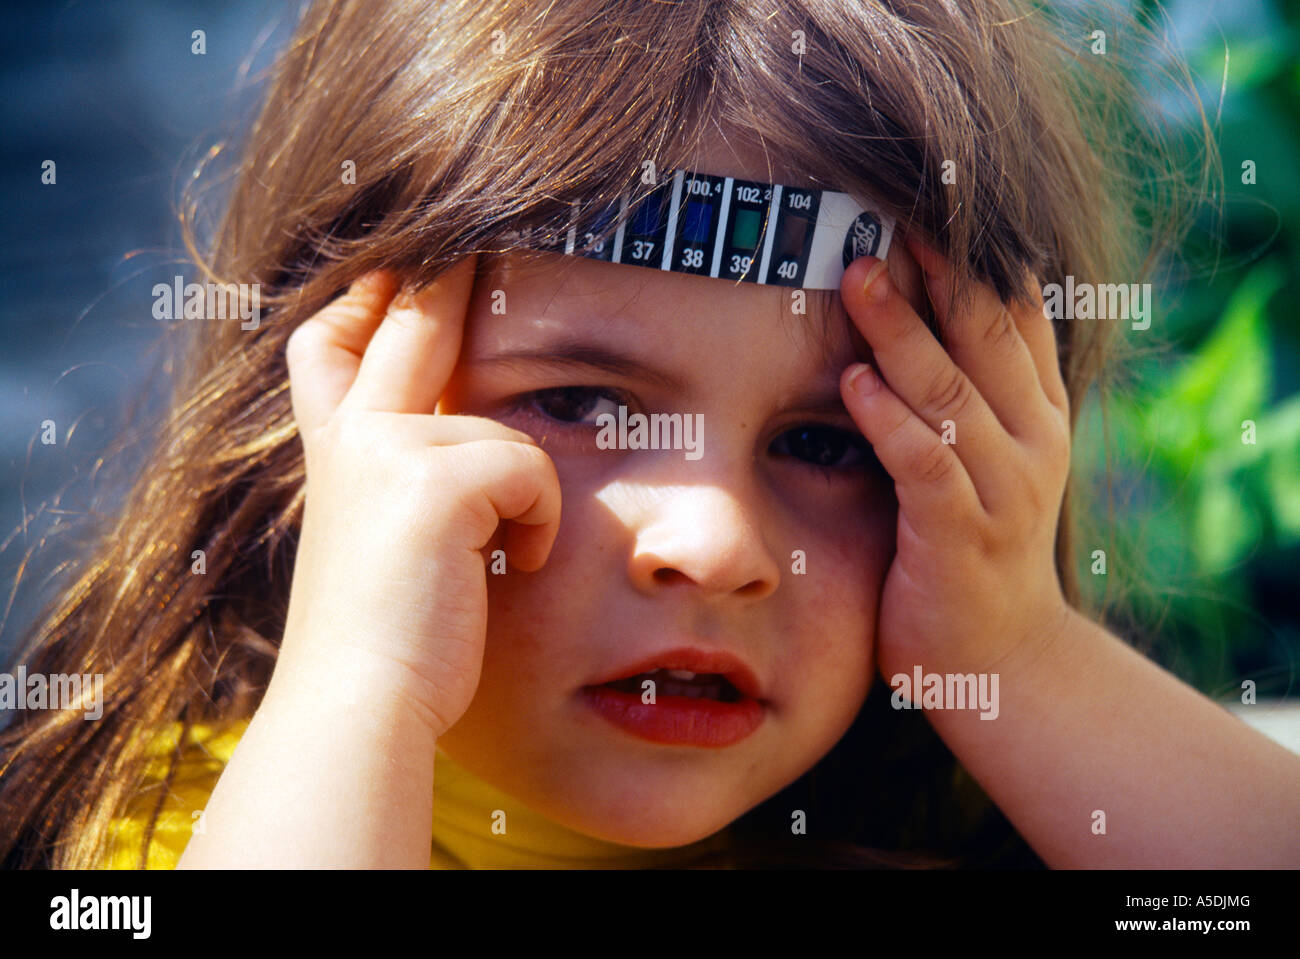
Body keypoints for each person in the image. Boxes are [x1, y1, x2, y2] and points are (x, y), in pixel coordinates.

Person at [3, 0, 1297, 870]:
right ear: (332, 424)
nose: (717, 540)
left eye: (830, 442)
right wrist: (366, 681)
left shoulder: (965, 805)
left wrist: (1015, 654)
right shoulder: (219, 817)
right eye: (575, 402)